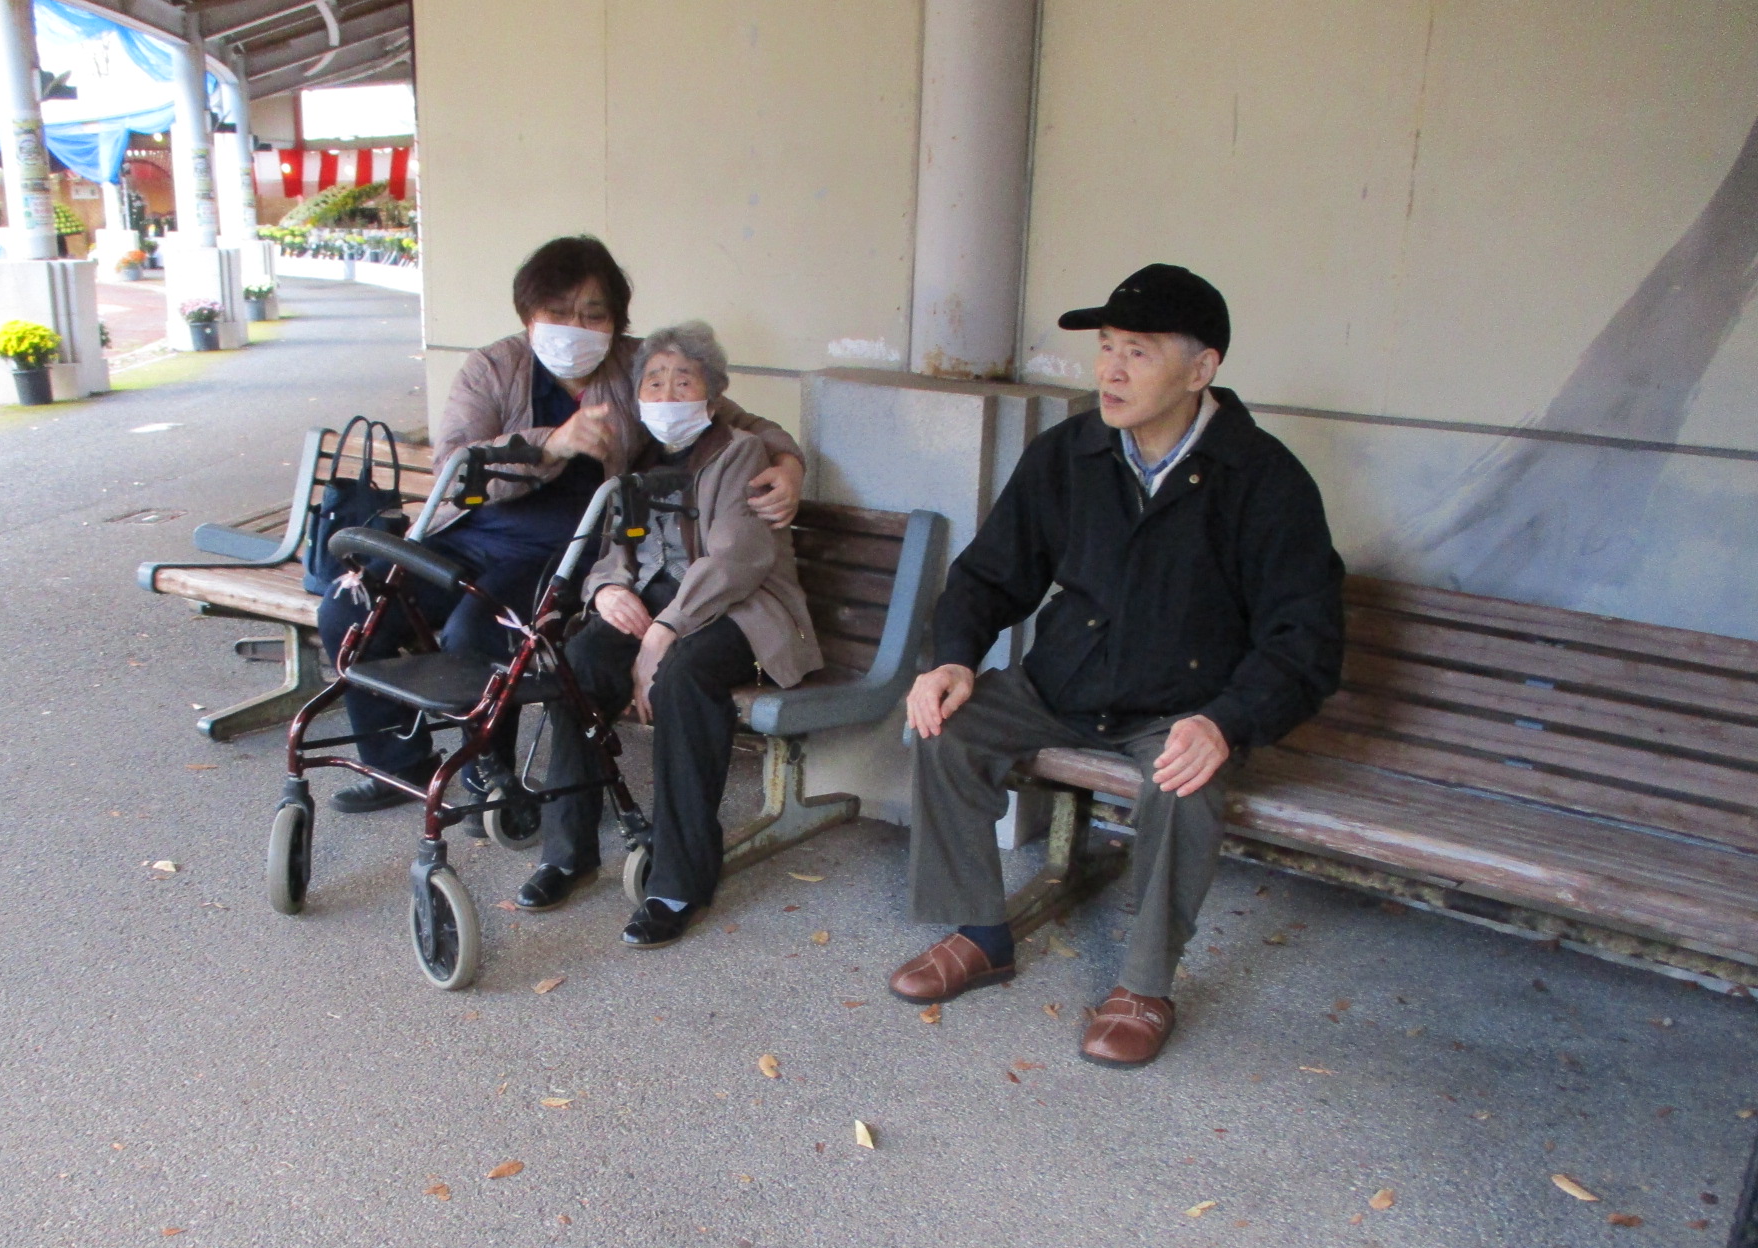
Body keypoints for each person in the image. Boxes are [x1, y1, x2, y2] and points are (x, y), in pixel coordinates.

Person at [886, 264, 1345, 1067]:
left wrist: (1226, 722)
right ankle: (982, 933)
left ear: (1202, 369)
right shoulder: (1071, 453)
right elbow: (991, 574)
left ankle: (1144, 985)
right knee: (943, 727)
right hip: (1064, 682)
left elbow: (1305, 635)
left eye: (1137, 351)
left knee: (1184, 781)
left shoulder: (1264, 479)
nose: (1110, 371)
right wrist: (954, 659)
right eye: (1105, 349)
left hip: (1183, 701)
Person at [317, 235, 807, 811]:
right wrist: (551, 443)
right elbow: (453, 462)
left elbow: (733, 418)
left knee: (478, 629)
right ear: (529, 316)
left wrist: (789, 462)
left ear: (616, 322)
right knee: (350, 607)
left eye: (593, 314)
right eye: (558, 312)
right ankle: (397, 761)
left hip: (573, 548)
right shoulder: (493, 367)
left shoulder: (638, 367)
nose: (575, 326)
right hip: (472, 532)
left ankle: (489, 771)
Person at [513, 321, 822, 948]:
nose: (668, 390)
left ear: (713, 392)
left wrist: (662, 633)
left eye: (685, 378)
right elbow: (609, 544)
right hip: (655, 603)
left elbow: (738, 560)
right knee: (575, 665)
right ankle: (568, 852)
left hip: (742, 608)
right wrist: (609, 588)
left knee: (683, 677)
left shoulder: (741, 451)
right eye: (655, 379)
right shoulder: (633, 455)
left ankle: (679, 881)